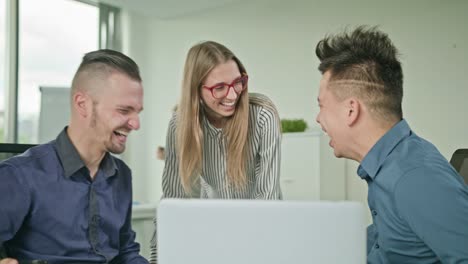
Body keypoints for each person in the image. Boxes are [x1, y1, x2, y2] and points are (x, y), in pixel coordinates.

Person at [315, 26, 468, 263]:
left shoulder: (416, 179)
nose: (319, 118)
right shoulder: (390, 166)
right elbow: (392, 241)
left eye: (322, 105)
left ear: (351, 110)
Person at [0, 49, 149, 264]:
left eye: (137, 112)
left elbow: (125, 252)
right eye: (124, 110)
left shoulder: (121, 175)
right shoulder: (20, 176)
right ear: (83, 104)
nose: (136, 123)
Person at [149, 41, 282, 263]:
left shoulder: (262, 117)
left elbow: (267, 201)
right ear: (196, 90)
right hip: (212, 236)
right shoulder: (179, 124)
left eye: (238, 82)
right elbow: (173, 200)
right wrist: (156, 259)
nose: (232, 95)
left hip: (259, 239)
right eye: (219, 87)